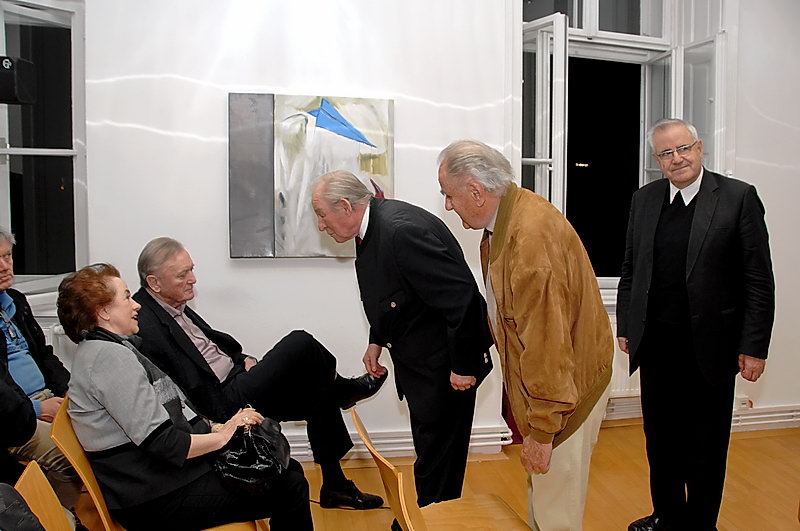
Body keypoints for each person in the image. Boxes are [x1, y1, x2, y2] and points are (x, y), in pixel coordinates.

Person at [437, 141, 614, 531]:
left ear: (476, 191)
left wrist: (543, 429)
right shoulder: (504, 223)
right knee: (544, 496)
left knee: (556, 513)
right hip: (558, 386)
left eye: (449, 195)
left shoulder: (529, 238)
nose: (448, 206)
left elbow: (547, 346)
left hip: (568, 390)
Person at [57, 263, 313, 530]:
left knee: (286, 469)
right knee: (290, 485)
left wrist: (217, 428)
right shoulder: (109, 359)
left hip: (151, 482)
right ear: (104, 311)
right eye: (127, 297)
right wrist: (225, 434)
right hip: (153, 499)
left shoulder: (103, 351)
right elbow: (165, 443)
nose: (136, 305)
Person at [133, 237, 384, 510]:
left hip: (236, 380)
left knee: (318, 389)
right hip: (220, 402)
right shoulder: (144, 324)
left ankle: (335, 486)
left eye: (191, 270)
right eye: (183, 274)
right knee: (300, 342)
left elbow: (213, 351)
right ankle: (344, 391)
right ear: (154, 282)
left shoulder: (172, 304)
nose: (193, 279)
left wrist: (245, 362)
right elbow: (180, 389)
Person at [617, 119, 775, 531]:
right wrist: (627, 324)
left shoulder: (737, 197)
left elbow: (758, 279)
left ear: (699, 148)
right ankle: (666, 516)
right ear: (657, 160)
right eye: (666, 153)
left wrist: (754, 346)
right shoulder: (644, 199)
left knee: (705, 445)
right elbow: (632, 268)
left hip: (712, 348)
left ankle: (702, 524)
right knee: (661, 441)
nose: (677, 159)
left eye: (683, 148)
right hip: (657, 347)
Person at [311, 171, 493, 508]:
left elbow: (462, 298)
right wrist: (376, 339)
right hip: (424, 363)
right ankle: (425, 518)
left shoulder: (400, 231)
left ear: (346, 206)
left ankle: (432, 520)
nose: (321, 225)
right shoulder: (373, 226)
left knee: (437, 461)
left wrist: (464, 365)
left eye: (322, 215)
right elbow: (394, 290)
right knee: (430, 453)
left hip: (446, 366)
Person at [0, 228, 83, 523]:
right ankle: (52, 520)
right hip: (16, 416)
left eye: (8, 256)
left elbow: (45, 354)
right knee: (72, 459)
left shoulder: (15, 301)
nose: (4, 266)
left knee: (99, 436)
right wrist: (37, 409)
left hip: (46, 399)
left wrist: (70, 390)